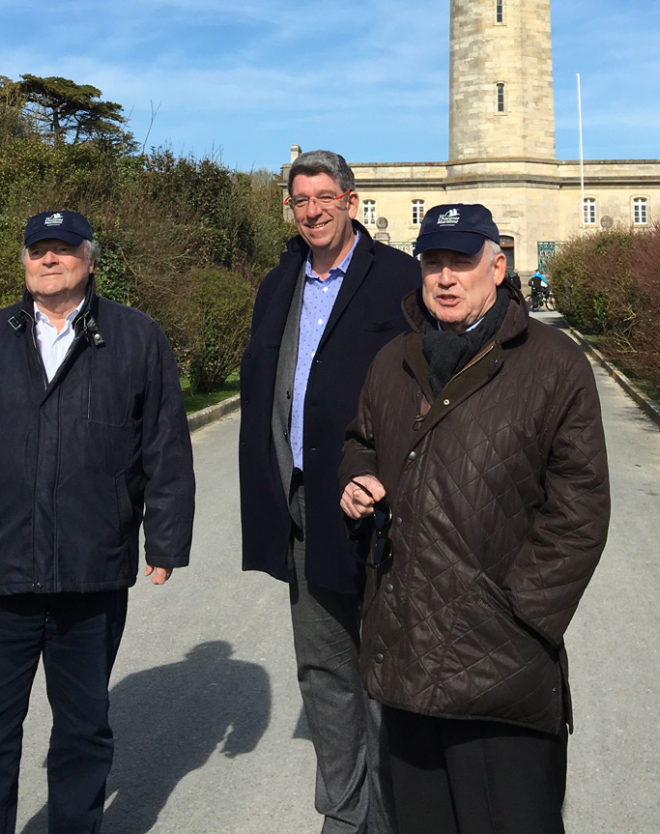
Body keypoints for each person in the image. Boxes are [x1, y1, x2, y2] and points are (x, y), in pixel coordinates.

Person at [0, 210, 196, 834]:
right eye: (38, 249)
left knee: (83, 734)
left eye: (63, 249)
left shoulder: (137, 338)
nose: (49, 259)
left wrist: (166, 540)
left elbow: (165, 450)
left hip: (89, 577)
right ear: (24, 261)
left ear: (89, 259)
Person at [338, 203, 610, 834]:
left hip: (501, 669)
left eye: (462, 261)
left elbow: (581, 512)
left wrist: (516, 617)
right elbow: (362, 438)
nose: (446, 277)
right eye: (432, 262)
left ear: (498, 266)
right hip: (406, 652)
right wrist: (356, 479)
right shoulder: (393, 360)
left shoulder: (553, 363)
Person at [238, 150, 420, 833]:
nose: (311, 210)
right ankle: (343, 816)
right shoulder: (278, 282)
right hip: (301, 503)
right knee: (323, 668)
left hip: (377, 508)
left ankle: (392, 814)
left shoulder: (399, 278)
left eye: (324, 197)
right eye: (299, 199)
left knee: (384, 669)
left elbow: (430, 394)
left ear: (351, 199)